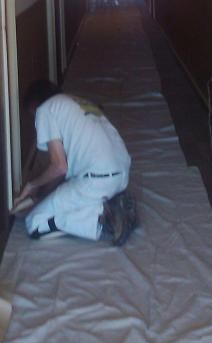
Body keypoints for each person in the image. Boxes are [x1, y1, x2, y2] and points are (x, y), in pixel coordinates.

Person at [12, 80, 137, 246]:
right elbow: (62, 170)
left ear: (35, 106)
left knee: (35, 223)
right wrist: (39, 197)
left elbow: (59, 167)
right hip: (121, 175)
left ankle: (104, 218)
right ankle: (112, 203)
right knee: (64, 199)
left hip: (96, 180)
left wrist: (31, 186)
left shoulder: (45, 110)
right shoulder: (76, 103)